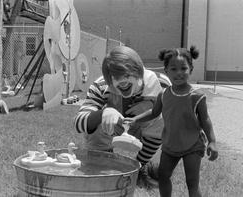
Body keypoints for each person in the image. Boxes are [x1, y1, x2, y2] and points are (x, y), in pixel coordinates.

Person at [124, 46, 218, 197]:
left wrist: (212, 142)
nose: (179, 73)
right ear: (166, 71)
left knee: (192, 182)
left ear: (191, 69)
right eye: (173, 69)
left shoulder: (197, 96)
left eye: (183, 68)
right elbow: (154, 112)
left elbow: (205, 120)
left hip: (192, 145)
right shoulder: (164, 94)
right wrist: (135, 119)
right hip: (169, 145)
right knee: (163, 176)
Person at [73, 46, 171, 189]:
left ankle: (138, 168)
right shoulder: (100, 87)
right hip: (111, 131)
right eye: (115, 77)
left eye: (126, 75)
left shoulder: (162, 85)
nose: (122, 81)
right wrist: (104, 113)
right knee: (95, 121)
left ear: (138, 70)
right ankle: (103, 168)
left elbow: (178, 115)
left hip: (144, 129)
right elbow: (78, 122)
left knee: (164, 120)